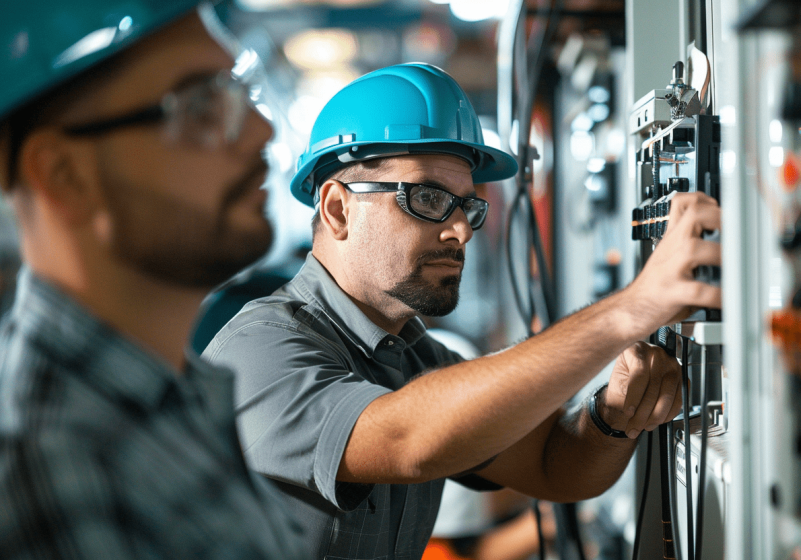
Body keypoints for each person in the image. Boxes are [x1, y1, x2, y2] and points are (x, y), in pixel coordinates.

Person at [203, 63, 721, 559]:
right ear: (338, 208)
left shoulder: (418, 360)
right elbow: (406, 441)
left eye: (467, 206)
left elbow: (552, 466)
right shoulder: (258, 351)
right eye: (427, 198)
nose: (460, 231)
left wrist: (612, 418)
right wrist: (629, 310)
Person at [0, 1, 304, 557]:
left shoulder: (174, 392)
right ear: (65, 176)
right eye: (199, 105)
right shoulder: (55, 466)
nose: (261, 129)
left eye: (240, 86)